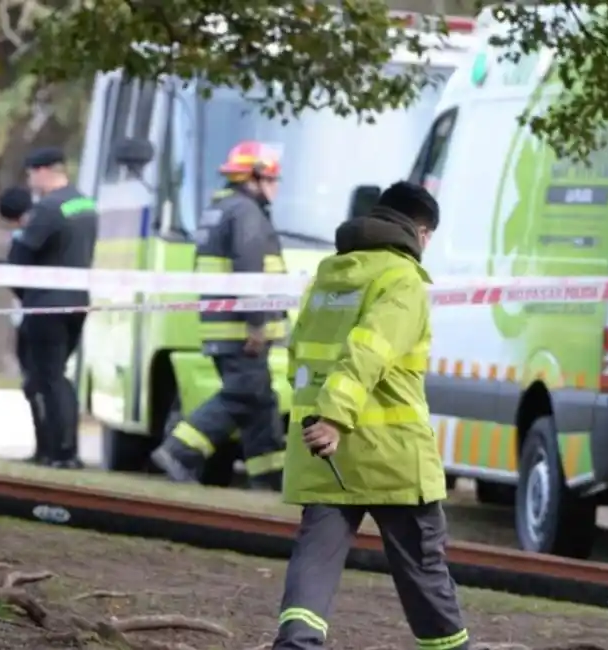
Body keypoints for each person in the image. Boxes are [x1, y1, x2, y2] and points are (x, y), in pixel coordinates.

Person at [272, 181, 469, 650]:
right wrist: (338, 417)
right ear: (421, 232)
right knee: (423, 567)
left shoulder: (330, 275)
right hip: (388, 453)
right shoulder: (401, 279)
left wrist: (325, 421)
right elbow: (368, 352)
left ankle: (297, 643)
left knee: (315, 559)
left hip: (323, 449)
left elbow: (299, 355)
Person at [150, 140, 288, 491]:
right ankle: (179, 451)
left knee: (261, 404)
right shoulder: (246, 214)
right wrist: (257, 325)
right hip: (243, 331)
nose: (275, 187)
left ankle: (269, 479)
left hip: (224, 328)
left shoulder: (219, 211)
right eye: (271, 179)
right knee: (242, 395)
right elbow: (249, 272)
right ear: (253, 178)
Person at [8, 147, 96, 469]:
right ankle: (63, 449)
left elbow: (21, 258)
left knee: (48, 377)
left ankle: (59, 452)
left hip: (45, 304)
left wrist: (21, 293)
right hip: (76, 302)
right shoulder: (86, 203)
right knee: (58, 376)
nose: (31, 182)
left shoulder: (48, 207)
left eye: (31, 174)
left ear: (44, 171)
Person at [0, 186, 45, 462]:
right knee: (32, 384)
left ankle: (46, 447)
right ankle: (42, 446)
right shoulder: (32, 232)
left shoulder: (26, 238)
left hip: (29, 317)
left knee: (35, 383)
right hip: (24, 317)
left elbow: (19, 283)